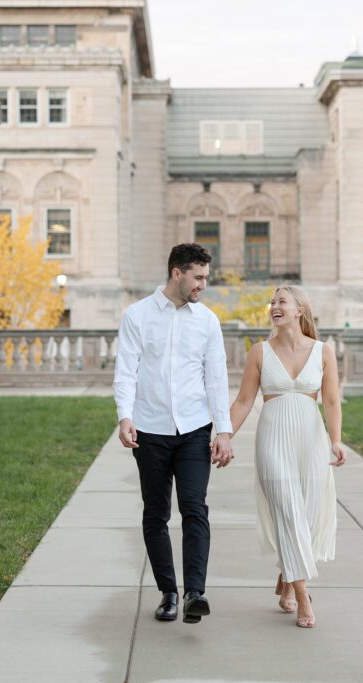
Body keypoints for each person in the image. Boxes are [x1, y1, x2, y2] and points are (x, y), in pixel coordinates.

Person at [113, 243, 235, 625]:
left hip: (195, 429)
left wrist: (224, 430)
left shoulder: (207, 321)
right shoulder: (138, 315)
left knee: (195, 508)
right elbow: (126, 370)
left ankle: (195, 593)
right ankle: (168, 591)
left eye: (205, 277)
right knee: (156, 512)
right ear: (176, 273)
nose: (202, 285)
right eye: (197, 277)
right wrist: (124, 416)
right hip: (150, 429)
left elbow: (216, 378)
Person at [228, 285, 346, 628]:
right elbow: (244, 401)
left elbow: (333, 400)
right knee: (288, 510)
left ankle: (286, 573)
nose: (274, 306)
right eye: (272, 302)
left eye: (282, 301)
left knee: (306, 515)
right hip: (272, 438)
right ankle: (304, 596)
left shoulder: (323, 351)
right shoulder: (259, 352)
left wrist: (336, 441)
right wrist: (223, 436)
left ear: (299, 310)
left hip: (311, 438)